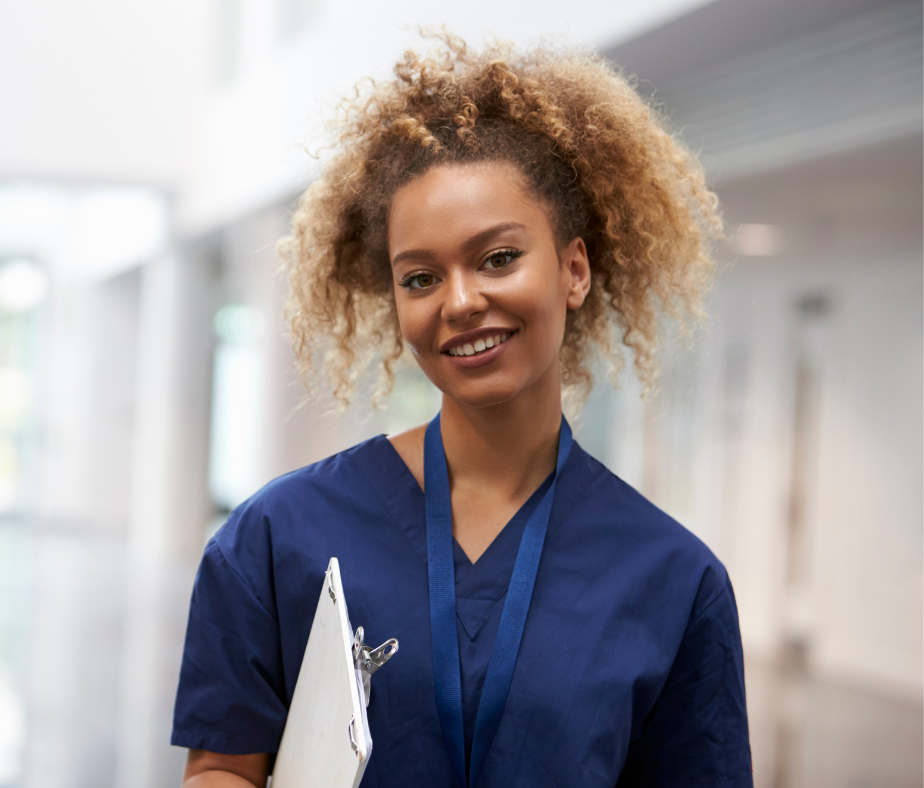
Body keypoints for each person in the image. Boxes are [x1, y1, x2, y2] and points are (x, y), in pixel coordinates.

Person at [173, 33, 753, 788]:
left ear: (574, 269)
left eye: (498, 258)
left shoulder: (673, 581)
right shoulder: (279, 536)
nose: (460, 301)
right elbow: (222, 767)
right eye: (419, 277)